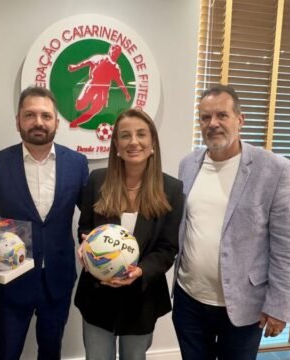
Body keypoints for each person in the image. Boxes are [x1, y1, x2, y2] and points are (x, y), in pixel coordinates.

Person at [172, 84, 290, 359]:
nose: (213, 124)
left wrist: (279, 306)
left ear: (240, 120)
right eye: (205, 117)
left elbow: (287, 246)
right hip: (189, 300)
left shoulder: (274, 169)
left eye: (222, 115)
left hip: (244, 306)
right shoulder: (188, 164)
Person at [0, 86, 89, 360]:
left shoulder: (77, 163)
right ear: (18, 121)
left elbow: (90, 217)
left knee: (51, 351)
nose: (38, 122)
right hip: (12, 278)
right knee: (6, 353)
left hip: (58, 277)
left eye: (46, 116)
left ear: (57, 122)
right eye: (29, 115)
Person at [75, 108, 184, 360]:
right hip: (97, 294)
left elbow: (168, 248)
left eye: (141, 134)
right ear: (116, 145)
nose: (133, 141)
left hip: (142, 299)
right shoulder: (97, 181)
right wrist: (85, 246)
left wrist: (140, 271)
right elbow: (85, 228)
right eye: (125, 136)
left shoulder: (172, 189)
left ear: (152, 143)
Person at [67, 44, 131, 128]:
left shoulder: (115, 67)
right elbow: (88, 62)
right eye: (114, 51)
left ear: (118, 55)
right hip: (92, 84)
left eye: (117, 53)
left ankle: (76, 122)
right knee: (80, 105)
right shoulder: (99, 58)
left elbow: (120, 82)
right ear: (110, 50)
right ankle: (78, 111)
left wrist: (126, 94)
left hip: (103, 90)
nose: (115, 54)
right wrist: (76, 67)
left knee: (95, 109)